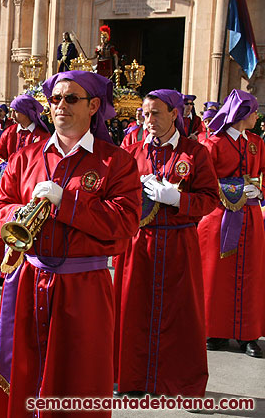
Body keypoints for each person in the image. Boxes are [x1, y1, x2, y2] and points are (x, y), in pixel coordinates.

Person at [0, 70, 141, 418]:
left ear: (94, 105)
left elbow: (124, 223)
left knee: (79, 377)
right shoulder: (26, 156)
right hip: (26, 282)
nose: (60, 106)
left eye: (71, 99)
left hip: (84, 288)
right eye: (55, 99)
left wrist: (65, 203)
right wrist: (18, 213)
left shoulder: (117, 162)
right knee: (22, 371)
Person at [114, 89, 218, 397]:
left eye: (155, 113)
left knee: (183, 314)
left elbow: (210, 199)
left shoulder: (195, 153)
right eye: (145, 114)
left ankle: (182, 384)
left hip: (178, 242)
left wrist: (178, 199)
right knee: (132, 311)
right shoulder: (130, 152)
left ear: (174, 113)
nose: (148, 120)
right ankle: (131, 379)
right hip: (137, 243)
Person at [198, 89, 265, 358]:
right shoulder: (213, 143)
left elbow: (263, 173)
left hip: (251, 218)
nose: (258, 115)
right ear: (243, 114)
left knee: (252, 274)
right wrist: (236, 188)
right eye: (255, 110)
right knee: (216, 274)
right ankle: (215, 329)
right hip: (219, 217)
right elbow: (203, 180)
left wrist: (260, 190)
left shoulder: (257, 143)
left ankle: (249, 334)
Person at [0, 93, 50, 165]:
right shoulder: (9, 132)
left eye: (16, 111)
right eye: (11, 111)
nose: (12, 115)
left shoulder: (42, 135)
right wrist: (5, 167)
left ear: (27, 112)